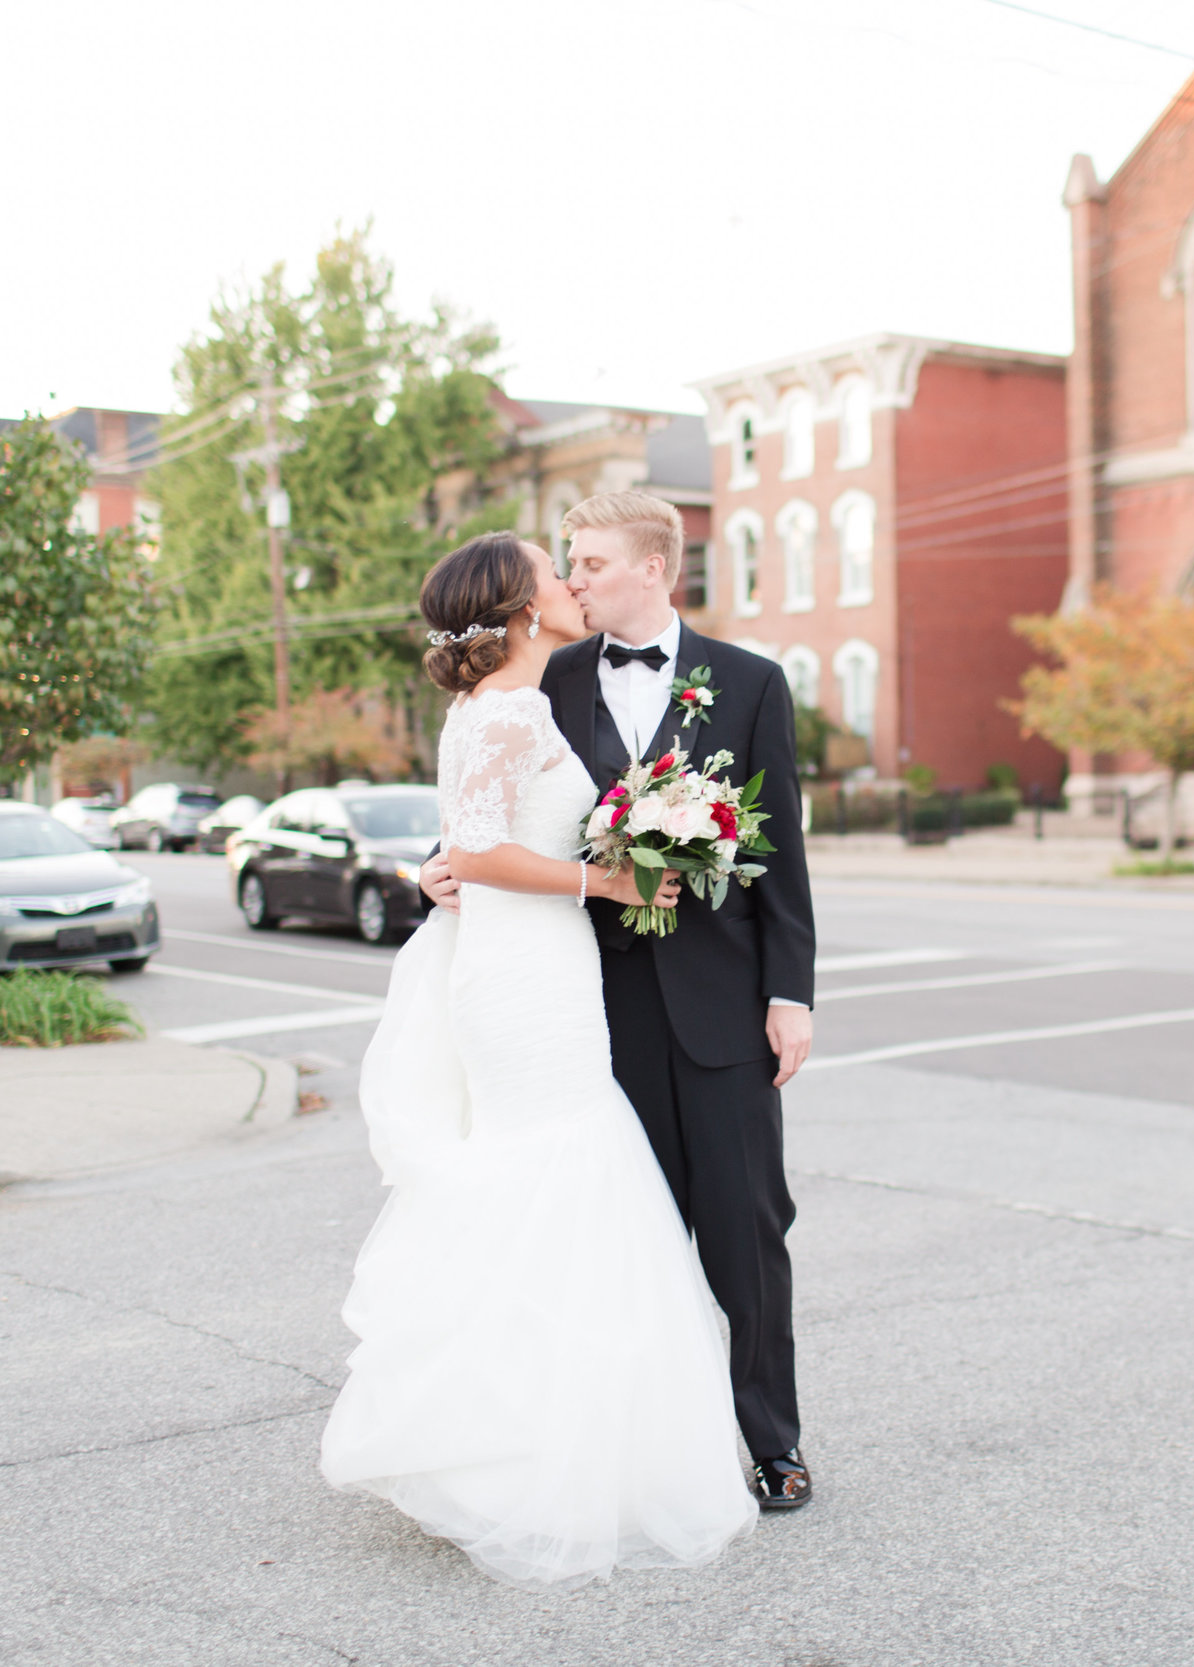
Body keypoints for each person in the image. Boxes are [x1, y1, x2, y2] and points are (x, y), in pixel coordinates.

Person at [318, 531, 757, 1589]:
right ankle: (532, 1457)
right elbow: (474, 849)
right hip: (524, 971)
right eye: (551, 572)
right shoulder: (510, 710)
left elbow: (465, 841)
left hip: (523, 963)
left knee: (544, 1177)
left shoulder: (495, 705)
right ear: (521, 607)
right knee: (554, 1174)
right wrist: (607, 883)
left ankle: (517, 1432)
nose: (570, 582)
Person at [421, 491, 819, 1512]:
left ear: (655, 568)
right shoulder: (536, 675)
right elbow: (489, 813)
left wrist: (789, 991)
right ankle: (646, 1445)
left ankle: (773, 1444)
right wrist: (434, 867)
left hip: (726, 1004)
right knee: (624, 1234)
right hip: (589, 1004)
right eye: (568, 562)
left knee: (748, 1233)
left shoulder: (749, 681)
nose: (576, 575)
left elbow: (780, 856)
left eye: (592, 560)